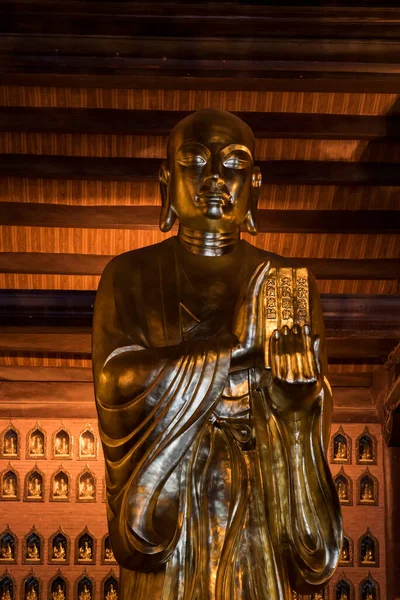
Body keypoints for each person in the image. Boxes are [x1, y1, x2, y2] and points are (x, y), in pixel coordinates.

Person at [93, 109, 342, 600]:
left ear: (256, 185)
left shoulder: (287, 284)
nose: (213, 178)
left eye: (233, 164)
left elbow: (310, 402)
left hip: (260, 508)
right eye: (194, 161)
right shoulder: (127, 275)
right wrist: (231, 354)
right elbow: (114, 381)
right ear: (166, 180)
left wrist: (296, 407)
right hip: (170, 500)